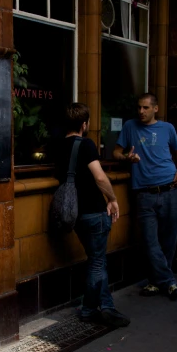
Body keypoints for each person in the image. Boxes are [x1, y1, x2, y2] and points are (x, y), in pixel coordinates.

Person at [55, 103, 130, 327]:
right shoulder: (85, 144)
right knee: (97, 263)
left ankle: (107, 307)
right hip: (94, 212)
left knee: (97, 260)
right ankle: (89, 310)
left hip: (73, 214)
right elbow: (99, 177)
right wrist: (113, 199)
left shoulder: (58, 146)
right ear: (84, 124)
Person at [114, 93, 177, 299]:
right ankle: (169, 281)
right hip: (145, 193)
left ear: (155, 109)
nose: (141, 112)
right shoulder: (130, 126)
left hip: (171, 189)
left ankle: (156, 282)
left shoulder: (168, 128)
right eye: (139, 107)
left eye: (145, 108)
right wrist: (127, 157)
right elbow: (116, 153)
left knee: (169, 240)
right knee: (149, 241)